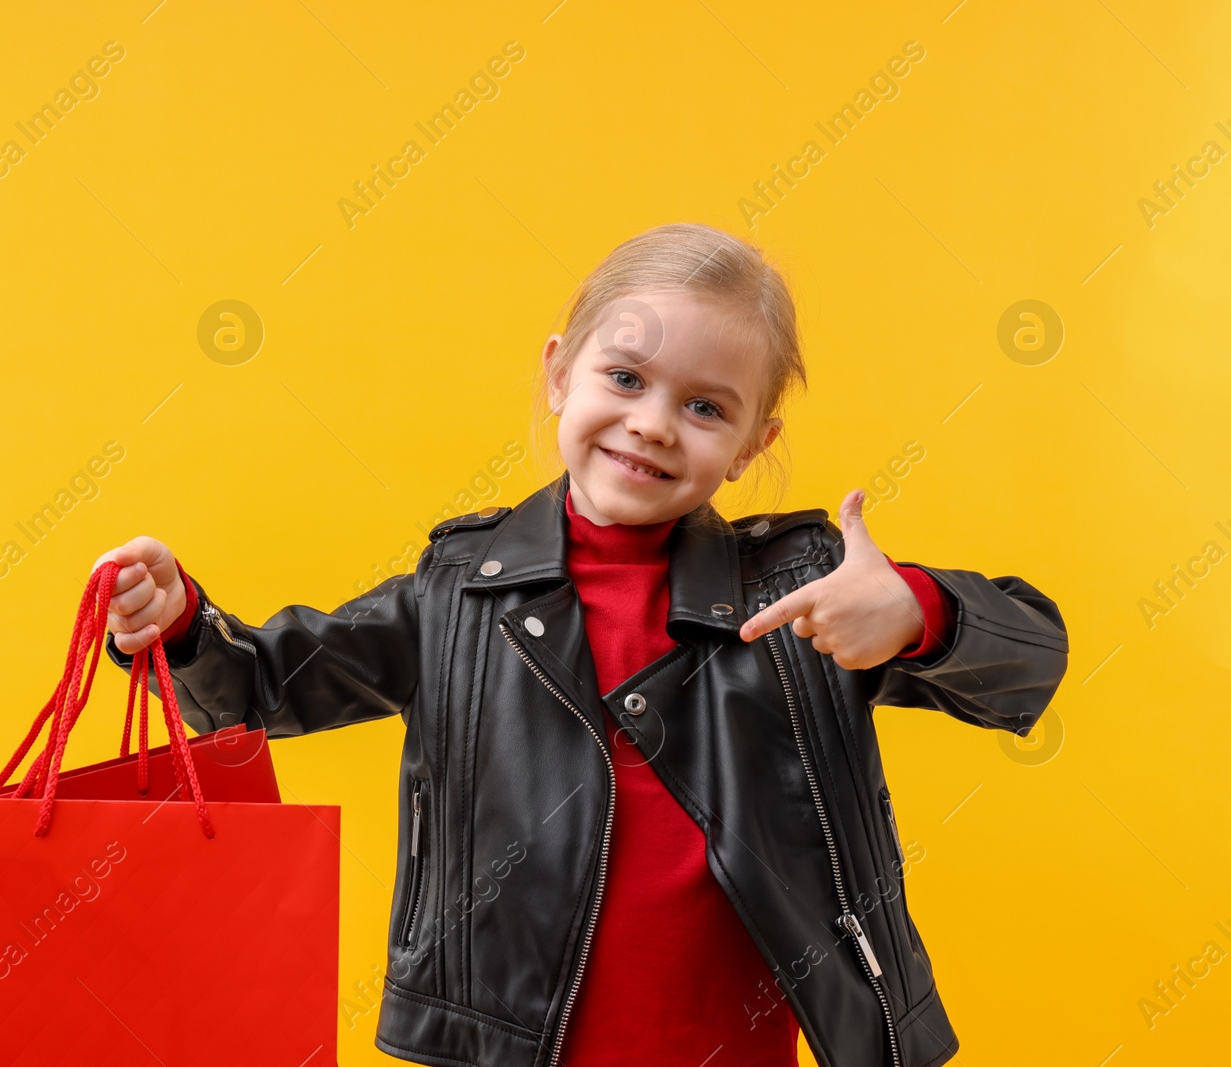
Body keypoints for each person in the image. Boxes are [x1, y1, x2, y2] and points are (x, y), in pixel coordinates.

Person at [93, 222, 1068, 1067]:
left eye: (703, 406)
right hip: (501, 1041)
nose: (650, 423)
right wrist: (179, 623)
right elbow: (262, 686)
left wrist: (911, 609)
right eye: (625, 378)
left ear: (751, 445)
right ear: (560, 372)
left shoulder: (800, 586)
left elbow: (1030, 654)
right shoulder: (459, 587)